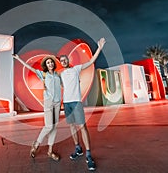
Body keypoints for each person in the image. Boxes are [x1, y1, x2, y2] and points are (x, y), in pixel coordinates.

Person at [59, 37, 106, 171]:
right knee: (72, 127)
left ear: (68, 60)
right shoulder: (61, 74)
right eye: (61, 61)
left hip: (76, 102)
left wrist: (99, 48)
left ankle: (89, 155)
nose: (63, 61)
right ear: (61, 63)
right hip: (66, 103)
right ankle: (78, 148)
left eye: (65, 59)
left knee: (82, 127)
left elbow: (91, 61)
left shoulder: (76, 69)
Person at [12, 54, 62, 161]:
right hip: (49, 103)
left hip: (58, 102)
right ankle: (36, 144)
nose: (50, 64)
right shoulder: (43, 74)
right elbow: (30, 68)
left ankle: (50, 150)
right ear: (46, 65)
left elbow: (65, 84)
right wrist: (19, 58)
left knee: (54, 127)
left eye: (51, 62)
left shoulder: (58, 75)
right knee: (49, 126)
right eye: (48, 62)